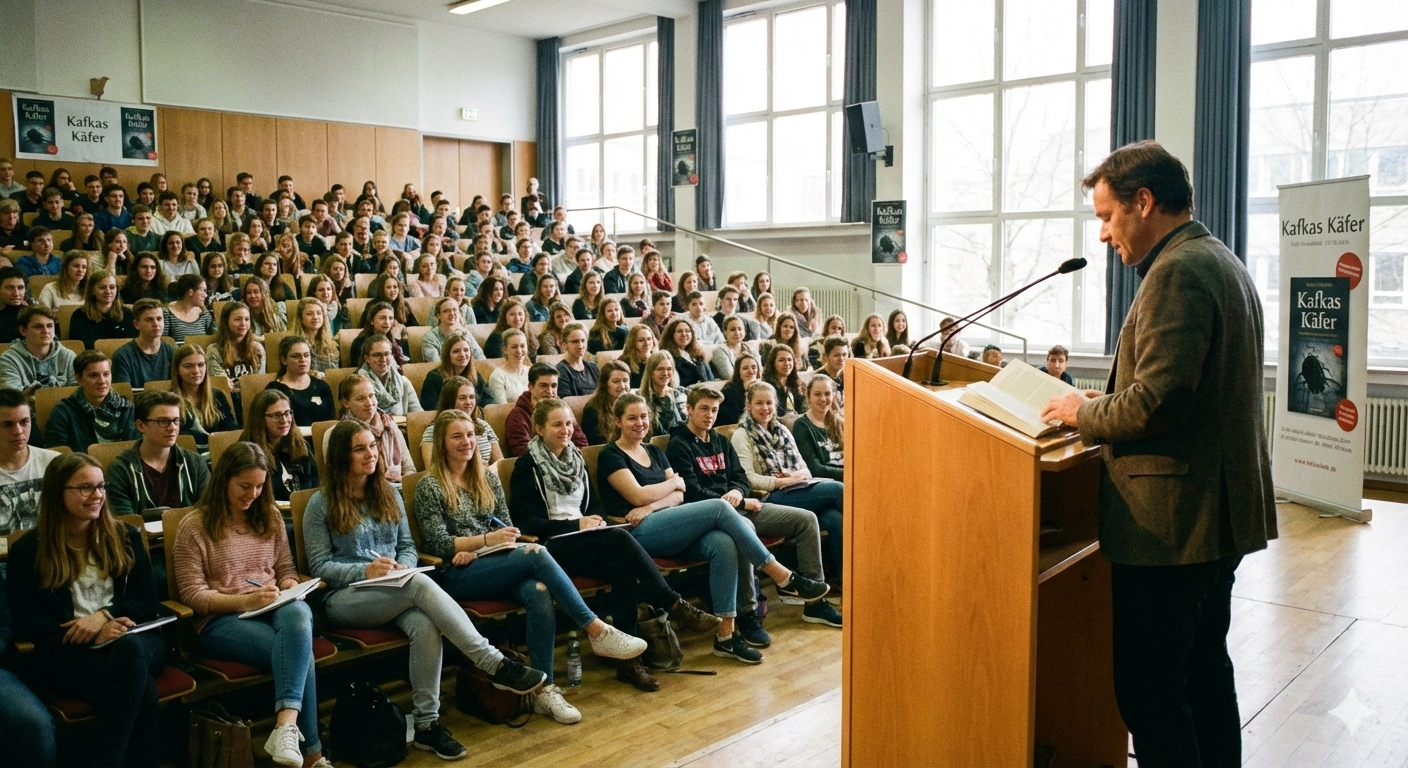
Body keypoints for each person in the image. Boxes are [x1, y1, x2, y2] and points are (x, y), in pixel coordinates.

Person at [1038, 141, 1276, 768]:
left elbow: (1159, 405)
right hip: (1210, 517)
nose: (1103, 235)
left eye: (1107, 216)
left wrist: (1082, 412)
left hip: (1170, 525)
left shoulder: (1177, 271)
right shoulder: (1217, 259)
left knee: (1150, 694)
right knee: (1203, 676)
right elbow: (1181, 391)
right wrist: (1108, 395)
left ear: (1144, 203)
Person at [304, 420, 549, 760]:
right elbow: (319, 568)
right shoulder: (321, 503)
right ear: (340, 458)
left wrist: (402, 564)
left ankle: (426, 725)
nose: (371, 454)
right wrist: (366, 569)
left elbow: (406, 546)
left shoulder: (389, 493)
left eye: (373, 447)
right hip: (346, 598)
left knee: (424, 623)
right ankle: (492, 663)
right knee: (420, 584)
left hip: (396, 587)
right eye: (360, 449)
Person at [416, 410, 648, 720]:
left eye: (470, 435)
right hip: (456, 572)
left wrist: (494, 542)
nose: (466, 442)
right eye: (457, 436)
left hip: (496, 560)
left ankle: (544, 690)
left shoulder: (486, 477)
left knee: (538, 590)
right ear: (442, 443)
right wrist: (481, 542)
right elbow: (436, 545)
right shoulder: (429, 485)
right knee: (536, 553)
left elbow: (509, 528)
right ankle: (596, 629)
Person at [598, 394, 829, 663]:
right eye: (632, 418)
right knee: (720, 508)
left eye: (643, 416)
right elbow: (637, 496)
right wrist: (667, 489)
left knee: (725, 543)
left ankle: (726, 636)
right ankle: (783, 576)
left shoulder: (655, 452)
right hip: (638, 534)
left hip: (670, 520)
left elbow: (680, 494)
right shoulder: (610, 454)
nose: (640, 423)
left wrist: (654, 501)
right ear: (617, 421)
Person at [511, 398, 721, 690]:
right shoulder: (528, 465)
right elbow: (527, 522)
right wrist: (576, 525)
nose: (565, 430)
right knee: (622, 538)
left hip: (584, 539)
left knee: (622, 569)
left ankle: (628, 663)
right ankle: (672, 602)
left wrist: (595, 520)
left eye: (569, 423)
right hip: (552, 546)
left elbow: (593, 505)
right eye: (557, 424)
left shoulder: (576, 459)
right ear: (539, 429)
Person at [172, 442, 326, 767]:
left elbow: (285, 570)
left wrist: (288, 586)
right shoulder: (195, 525)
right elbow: (192, 595)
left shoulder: (268, 515)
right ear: (223, 479)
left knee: (298, 609)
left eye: (259, 486)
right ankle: (312, 754)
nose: (252, 494)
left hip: (269, 608)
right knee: (300, 655)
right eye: (244, 486)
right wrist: (245, 600)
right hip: (219, 621)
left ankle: (285, 727)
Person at [6, 453, 164, 767]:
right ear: (57, 493)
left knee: (130, 651)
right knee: (137, 684)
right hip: (71, 655)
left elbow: (148, 600)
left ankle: (106, 760)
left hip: (136, 639)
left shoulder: (125, 536)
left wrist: (104, 616)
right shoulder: (29, 550)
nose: (97, 496)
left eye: (101, 487)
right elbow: (27, 624)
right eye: (85, 488)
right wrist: (90, 633)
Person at [668, 386, 842, 633]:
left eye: (714, 410)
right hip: (711, 517)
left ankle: (815, 601)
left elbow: (740, 478)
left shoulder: (719, 440)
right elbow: (692, 491)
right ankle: (748, 614)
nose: (709, 415)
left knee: (806, 520)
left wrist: (738, 492)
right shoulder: (679, 445)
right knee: (745, 529)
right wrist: (738, 501)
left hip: (744, 505)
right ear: (689, 409)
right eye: (703, 409)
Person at [731, 381, 845, 581]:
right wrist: (782, 482)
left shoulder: (782, 430)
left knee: (835, 520)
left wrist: (794, 478)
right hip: (771, 497)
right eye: (759, 403)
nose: (765, 408)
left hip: (800, 489)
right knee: (838, 489)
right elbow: (748, 479)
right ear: (748, 405)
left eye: (769, 403)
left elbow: (805, 468)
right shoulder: (742, 435)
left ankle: (842, 581)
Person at [104, 389, 209, 517]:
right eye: (163, 421)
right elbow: (127, 525)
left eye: (176, 421)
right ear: (140, 426)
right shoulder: (120, 470)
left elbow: (208, 512)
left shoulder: (196, 463)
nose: (172, 428)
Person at [239, 391, 319, 502]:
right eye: (276, 415)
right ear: (260, 418)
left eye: (287, 413)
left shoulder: (300, 444)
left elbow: (315, 483)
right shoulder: (248, 453)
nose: (284, 420)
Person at [0, 388, 60, 536]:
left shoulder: (54, 462)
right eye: (8, 424)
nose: (18, 431)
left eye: (24, 422)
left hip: (48, 551)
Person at [336, 374, 415, 485]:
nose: (369, 403)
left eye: (371, 396)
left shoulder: (390, 425)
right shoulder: (337, 434)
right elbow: (339, 477)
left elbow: (409, 468)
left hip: (397, 489)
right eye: (361, 399)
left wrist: (402, 482)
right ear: (346, 403)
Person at [49, 350, 136, 451]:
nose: (102, 381)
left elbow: (134, 449)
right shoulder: (63, 411)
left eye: (106, 374)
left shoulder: (126, 408)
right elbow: (58, 452)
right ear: (79, 379)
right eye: (93, 375)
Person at [504, 363, 587, 458]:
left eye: (554, 386)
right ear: (531, 387)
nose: (550, 391)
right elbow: (522, 452)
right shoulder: (517, 416)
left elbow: (581, 443)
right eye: (543, 386)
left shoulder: (564, 410)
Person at [419, 376, 502, 468]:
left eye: (472, 397)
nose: (468, 402)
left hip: (487, 477)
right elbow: (432, 469)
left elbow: (500, 464)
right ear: (450, 401)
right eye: (462, 398)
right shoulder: (433, 430)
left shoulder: (484, 425)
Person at [171, 344, 239, 451]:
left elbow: (231, 432)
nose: (196, 370)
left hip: (218, 453)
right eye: (188, 366)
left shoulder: (217, 396)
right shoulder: (169, 401)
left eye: (201, 365)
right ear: (177, 369)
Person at [0, 306, 75, 395]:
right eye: (38, 327)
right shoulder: (8, 360)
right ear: (23, 330)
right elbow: (11, 399)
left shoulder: (68, 356)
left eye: (50, 326)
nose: (46, 331)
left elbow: (77, 391)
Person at [268, 336, 335, 427]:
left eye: (306, 355)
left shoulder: (322, 386)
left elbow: (331, 420)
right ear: (284, 360)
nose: (303, 360)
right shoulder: (275, 389)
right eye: (296, 356)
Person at [206, 301, 266, 396]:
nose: (243, 324)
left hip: (254, 398)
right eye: (238, 319)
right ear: (226, 322)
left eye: (247, 319)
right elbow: (222, 388)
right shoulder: (214, 351)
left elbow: (259, 383)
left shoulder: (257, 348)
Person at [112, 299, 174, 388]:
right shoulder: (122, 356)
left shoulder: (172, 352)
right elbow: (124, 393)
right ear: (136, 324)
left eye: (159, 319)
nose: (156, 324)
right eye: (149, 320)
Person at [356, 335, 421, 417]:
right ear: (367, 358)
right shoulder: (358, 386)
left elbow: (418, 414)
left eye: (387, 354)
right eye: (377, 355)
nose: (383, 359)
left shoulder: (404, 382)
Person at [581, 360, 631, 445]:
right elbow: (595, 446)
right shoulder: (592, 410)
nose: (622, 386)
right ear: (605, 384)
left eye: (625, 380)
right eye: (616, 381)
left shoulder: (633, 405)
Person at [639, 351, 685, 436]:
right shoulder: (642, 399)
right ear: (651, 372)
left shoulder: (679, 393)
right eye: (660, 369)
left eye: (669, 369)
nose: (665, 373)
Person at [164, 274, 215, 343]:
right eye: (202, 290)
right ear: (190, 292)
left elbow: (215, 337)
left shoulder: (203, 313)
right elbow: (164, 342)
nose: (205, 295)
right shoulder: (166, 314)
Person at [293, 298, 340, 372]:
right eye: (309, 314)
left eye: (318, 313)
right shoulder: (294, 345)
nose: (315, 317)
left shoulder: (331, 345)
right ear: (301, 319)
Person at [488, 329, 532, 404]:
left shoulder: (532, 372)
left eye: (522, 346)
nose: (519, 350)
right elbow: (502, 407)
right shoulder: (498, 376)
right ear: (505, 349)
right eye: (514, 347)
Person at [761, 343, 806, 416]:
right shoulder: (766, 387)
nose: (787, 363)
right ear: (773, 363)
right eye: (781, 360)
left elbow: (804, 409)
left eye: (789, 360)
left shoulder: (798, 384)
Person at [555, 323, 599, 397]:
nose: (580, 346)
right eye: (575, 342)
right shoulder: (560, 370)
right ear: (564, 345)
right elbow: (567, 401)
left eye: (583, 341)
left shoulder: (594, 367)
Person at [718, 352, 761, 427]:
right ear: (738, 373)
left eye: (754, 367)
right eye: (745, 368)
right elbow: (739, 420)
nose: (751, 371)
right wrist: (748, 391)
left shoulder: (763, 389)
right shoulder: (728, 392)